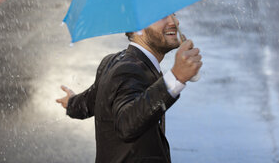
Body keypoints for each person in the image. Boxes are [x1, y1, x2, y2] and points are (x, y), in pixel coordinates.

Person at [56, 14, 202, 163]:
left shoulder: (112, 61)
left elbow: (92, 103)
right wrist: (176, 76)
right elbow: (127, 124)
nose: (174, 22)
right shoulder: (128, 69)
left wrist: (72, 102)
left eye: (174, 15)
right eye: (162, 16)